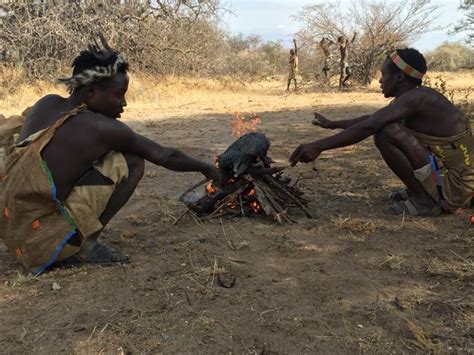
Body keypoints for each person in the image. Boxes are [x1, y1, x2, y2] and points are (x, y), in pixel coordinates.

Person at [0, 36, 220, 275]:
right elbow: (165, 156)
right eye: (119, 94)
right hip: (43, 247)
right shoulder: (101, 128)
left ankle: (67, 234)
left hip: (15, 232)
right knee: (133, 162)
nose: (124, 103)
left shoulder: (47, 102)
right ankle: (85, 246)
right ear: (92, 91)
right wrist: (207, 168)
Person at [290, 48, 474, 216]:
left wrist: (319, 146)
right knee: (385, 127)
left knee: (385, 133)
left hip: (456, 191)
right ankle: (422, 191)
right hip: (458, 184)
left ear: (399, 77)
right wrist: (333, 124)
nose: (380, 80)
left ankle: (425, 201)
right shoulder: (416, 97)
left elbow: (371, 126)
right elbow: (372, 119)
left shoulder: (418, 99)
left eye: (384, 74)